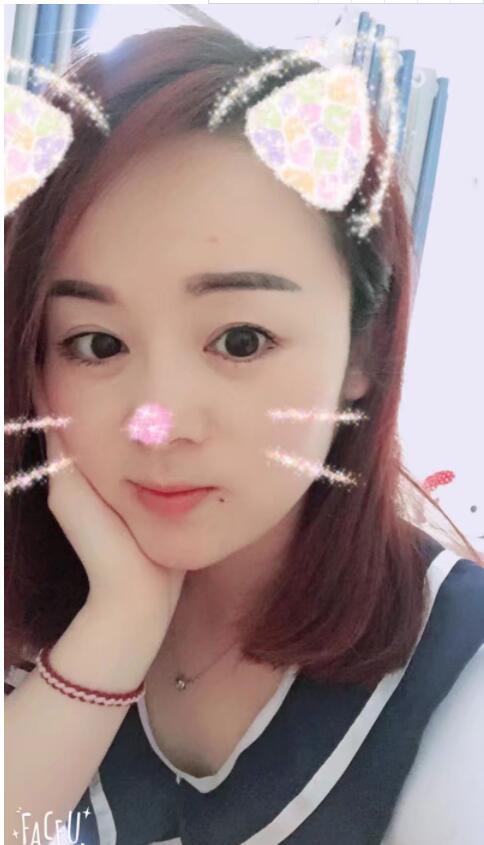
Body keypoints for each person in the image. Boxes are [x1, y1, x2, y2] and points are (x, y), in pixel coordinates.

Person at [4, 24, 484, 845]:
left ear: (362, 352)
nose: (160, 424)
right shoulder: (33, 593)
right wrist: (116, 627)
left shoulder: (457, 676)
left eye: (240, 340)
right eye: (97, 343)